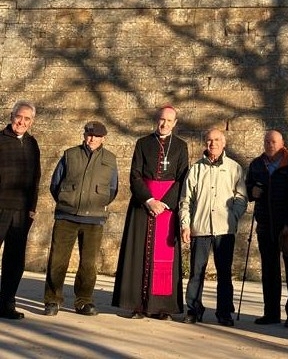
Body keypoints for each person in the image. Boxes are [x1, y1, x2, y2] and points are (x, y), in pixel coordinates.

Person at [112, 105, 189, 320]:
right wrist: (149, 200)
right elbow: (135, 175)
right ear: (157, 120)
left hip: (167, 209)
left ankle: (162, 307)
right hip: (143, 206)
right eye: (161, 119)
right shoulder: (143, 143)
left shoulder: (181, 147)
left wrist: (164, 204)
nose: (164, 124)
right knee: (138, 253)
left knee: (165, 257)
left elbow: (183, 178)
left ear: (175, 123)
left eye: (169, 121)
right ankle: (137, 305)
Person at [43, 121, 118, 317]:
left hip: (94, 218)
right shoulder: (70, 154)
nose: (92, 139)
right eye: (89, 134)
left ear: (104, 138)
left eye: (97, 136)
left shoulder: (110, 159)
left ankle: (84, 301)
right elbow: (55, 183)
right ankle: (52, 299)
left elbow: (112, 189)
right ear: (84, 135)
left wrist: (96, 203)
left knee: (88, 263)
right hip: (66, 216)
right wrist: (66, 202)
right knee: (58, 260)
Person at [179, 128, 247, 327]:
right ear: (205, 143)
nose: (213, 144)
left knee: (224, 272)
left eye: (217, 140)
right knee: (196, 272)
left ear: (223, 143)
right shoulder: (195, 169)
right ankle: (193, 309)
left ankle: (224, 311)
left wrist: (233, 216)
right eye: (209, 140)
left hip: (224, 230)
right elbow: (186, 200)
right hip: (200, 228)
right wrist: (185, 224)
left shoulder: (234, 168)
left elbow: (241, 197)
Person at [246, 130, 288, 327]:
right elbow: (247, 187)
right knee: (269, 271)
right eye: (266, 141)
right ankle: (270, 312)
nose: (269, 144)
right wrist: (251, 191)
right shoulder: (256, 165)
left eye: (273, 141)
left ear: (282, 143)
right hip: (265, 225)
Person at [0, 100, 41, 320]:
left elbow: (36, 179)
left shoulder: (33, 144)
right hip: (0, 206)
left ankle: (6, 304)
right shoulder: (1, 140)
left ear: (31, 122)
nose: (21, 122)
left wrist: (32, 208)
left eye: (27, 119)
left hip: (22, 211)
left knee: (15, 261)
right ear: (11, 116)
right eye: (19, 117)